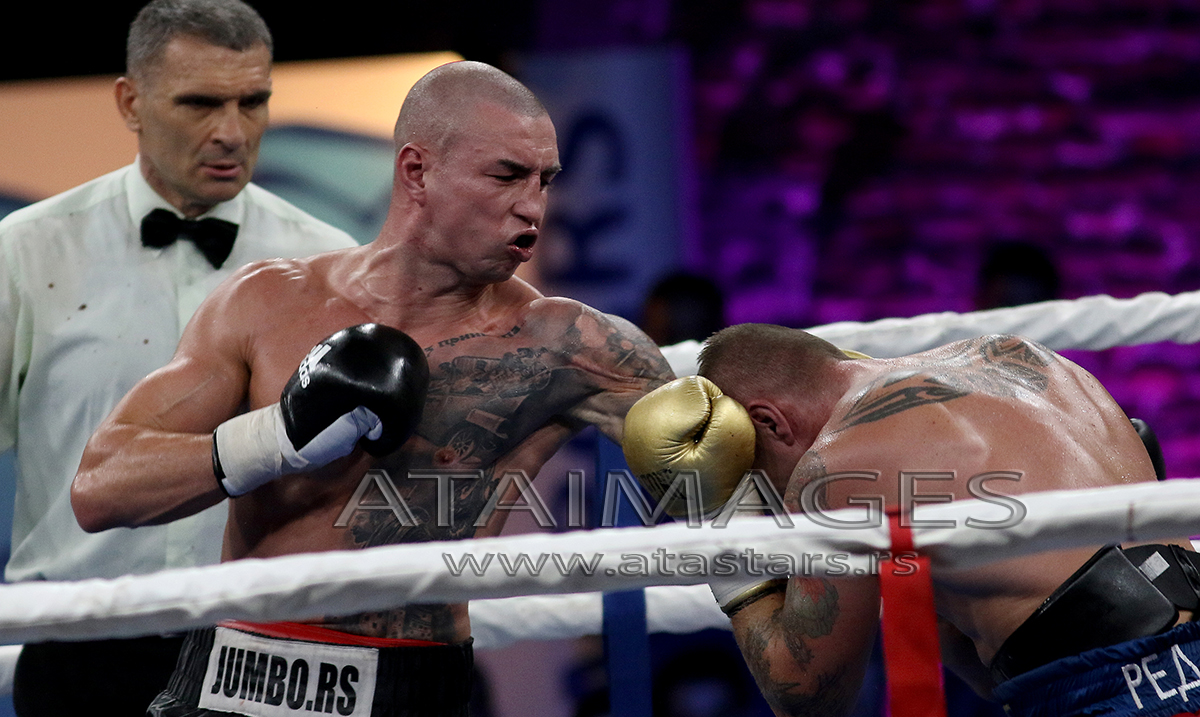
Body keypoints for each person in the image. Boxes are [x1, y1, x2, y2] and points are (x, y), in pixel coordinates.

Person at [71, 59, 674, 716]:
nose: (533, 206)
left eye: (545, 180)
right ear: (417, 171)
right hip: (233, 673)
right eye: (506, 176)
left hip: (406, 684)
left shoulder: (568, 345)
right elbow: (99, 489)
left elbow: (726, 477)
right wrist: (275, 437)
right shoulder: (267, 302)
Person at [0, 0, 357, 712]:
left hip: (265, 645)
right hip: (78, 643)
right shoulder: (28, 251)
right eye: (199, 103)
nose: (232, 132)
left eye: (253, 102)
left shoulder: (331, 264)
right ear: (130, 103)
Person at [624, 324, 1199, 717]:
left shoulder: (835, 465)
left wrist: (723, 525)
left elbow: (808, 693)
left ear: (770, 422)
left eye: (759, 482)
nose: (777, 507)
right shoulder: (1016, 353)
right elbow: (989, 664)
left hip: (1115, 686)